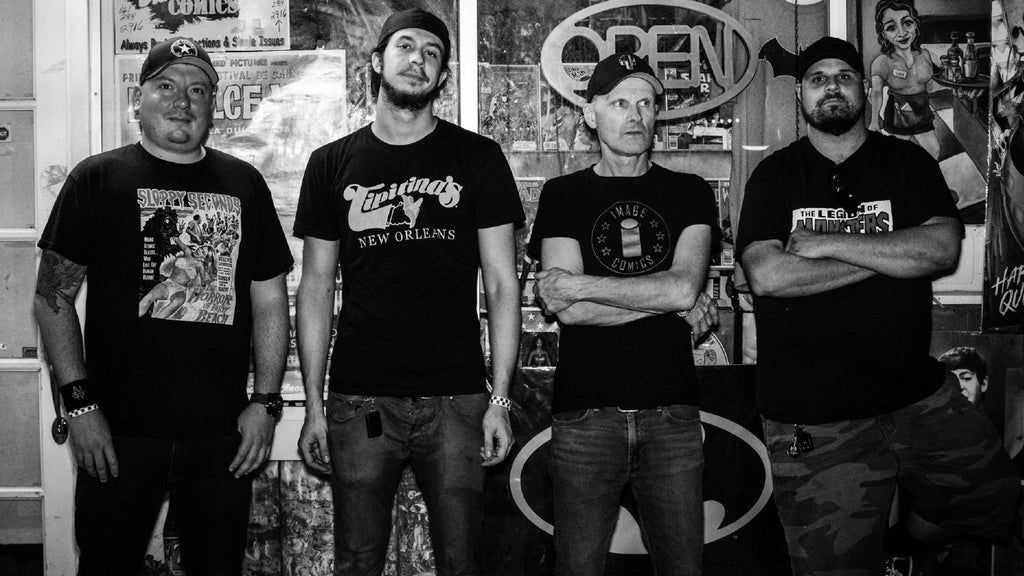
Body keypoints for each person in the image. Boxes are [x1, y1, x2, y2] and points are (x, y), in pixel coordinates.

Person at [735, 37, 1021, 575]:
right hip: (815, 415)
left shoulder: (907, 162)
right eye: (818, 79)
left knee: (992, 493)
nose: (832, 87)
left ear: (865, 90)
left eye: (844, 77)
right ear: (800, 95)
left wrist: (828, 244)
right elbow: (769, 275)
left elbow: (942, 249)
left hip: (913, 394)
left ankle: (901, 541)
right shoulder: (775, 175)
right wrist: (894, 254)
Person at [34, 37, 292, 576]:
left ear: (213, 106)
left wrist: (266, 404)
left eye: (197, 90)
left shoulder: (244, 183)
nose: (182, 101)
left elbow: (270, 299)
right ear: (139, 100)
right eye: (166, 86)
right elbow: (52, 296)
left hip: (222, 438)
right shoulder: (97, 178)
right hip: (117, 436)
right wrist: (79, 405)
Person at [293, 8, 523, 575]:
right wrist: (315, 406)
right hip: (361, 399)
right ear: (377, 61)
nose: (418, 58)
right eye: (405, 46)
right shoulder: (331, 163)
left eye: (432, 53)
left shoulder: (478, 158)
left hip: (457, 400)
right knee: (357, 559)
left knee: (462, 561)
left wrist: (499, 399)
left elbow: (502, 284)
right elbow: (316, 288)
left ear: (442, 76)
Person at [529, 52, 717, 576]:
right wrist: (666, 304)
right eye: (619, 103)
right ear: (591, 114)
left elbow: (683, 287)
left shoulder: (690, 191)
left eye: (646, 104)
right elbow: (567, 311)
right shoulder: (563, 194)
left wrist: (582, 285)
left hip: (672, 416)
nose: (636, 115)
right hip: (585, 417)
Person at [869, 0, 941, 159]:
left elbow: (932, 85)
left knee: (934, 151)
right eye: (891, 28)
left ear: (915, 25)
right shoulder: (881, 62)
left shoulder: (925, 55)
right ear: (883, 34)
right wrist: (874, 122)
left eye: (907, 23)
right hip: (898, 115)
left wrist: (954, 88)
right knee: (899, 157)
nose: (901, 33)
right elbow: (876, 93)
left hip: (922, 112)